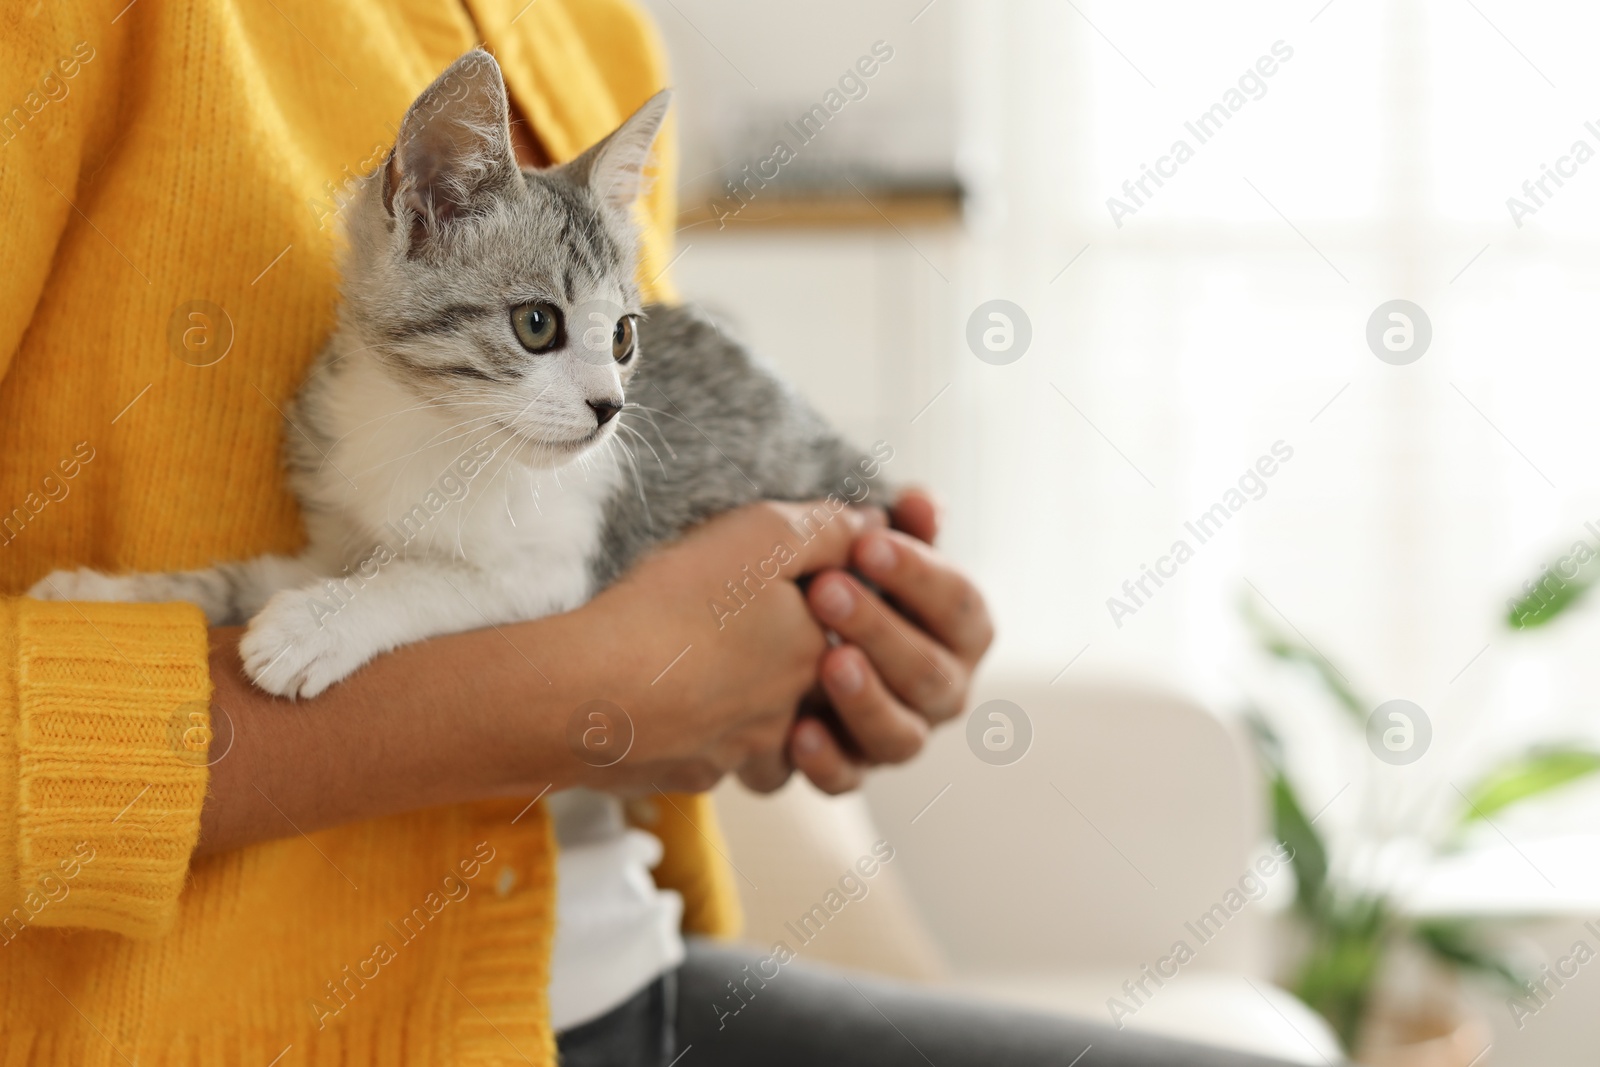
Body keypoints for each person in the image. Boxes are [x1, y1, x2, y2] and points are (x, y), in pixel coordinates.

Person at [0, 2, 1317, 1064]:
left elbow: (625, 480)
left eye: (612, 340)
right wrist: (599, 698)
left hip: (616, 965)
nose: (605, 393)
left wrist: (820, 657)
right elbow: (571, 650)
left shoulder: (595, 33)